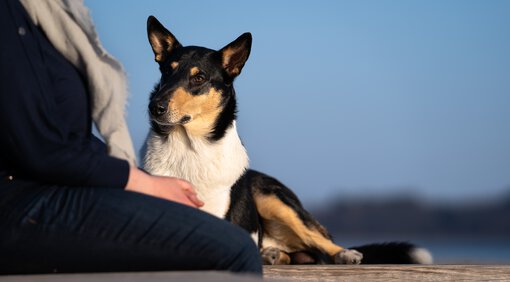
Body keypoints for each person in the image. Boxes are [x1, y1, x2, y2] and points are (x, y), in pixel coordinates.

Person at [0, 0, 262, 275]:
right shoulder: (13, 17)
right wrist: (136, 180)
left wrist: (131, 176)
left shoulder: (45, 16)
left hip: (48, 185)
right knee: (236, 249)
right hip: (19, 197)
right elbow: (38, 144)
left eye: (196, 81)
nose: (168, 95)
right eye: (171, 75)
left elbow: (62, 137)